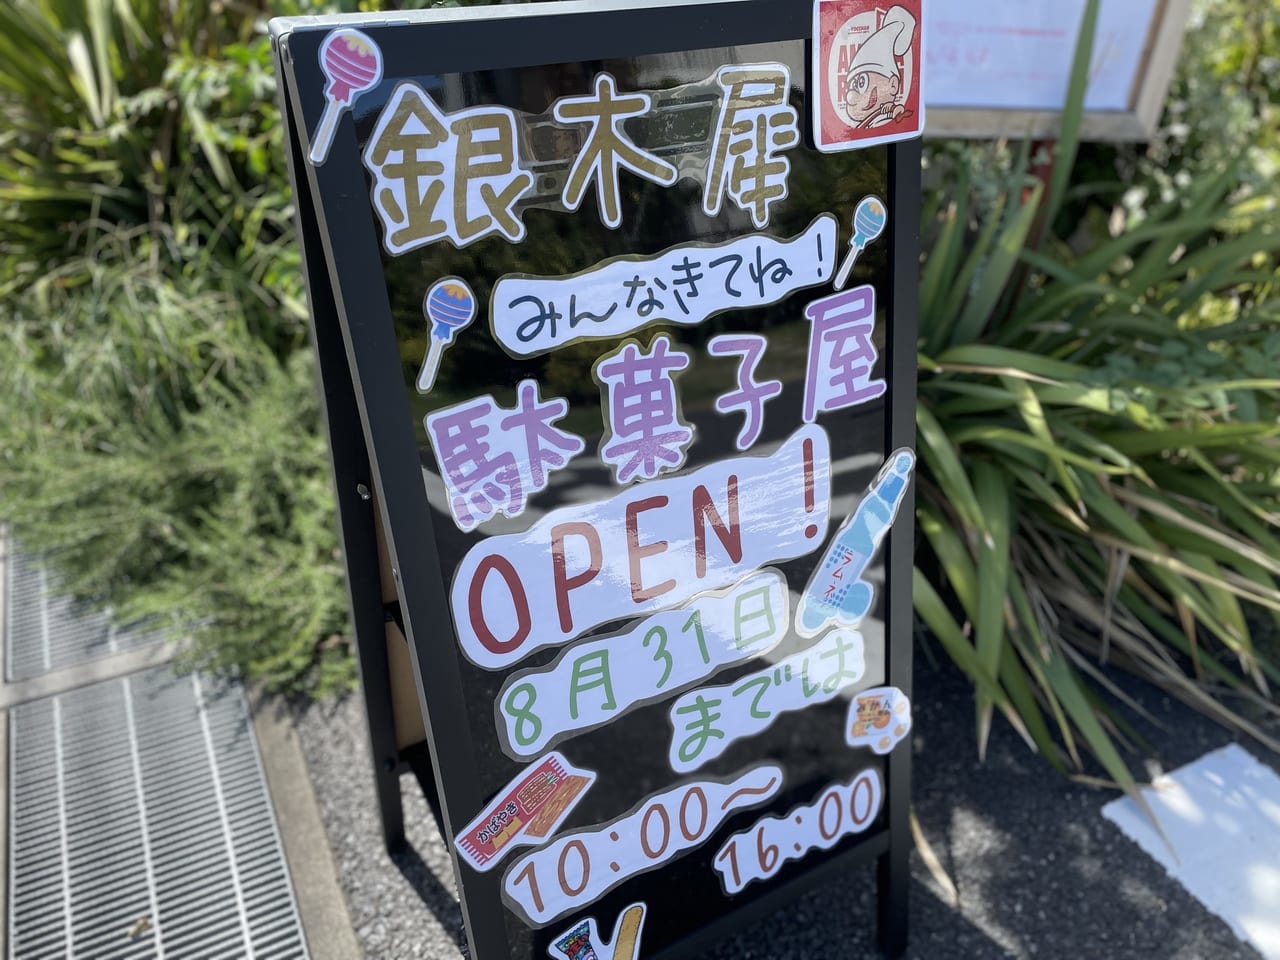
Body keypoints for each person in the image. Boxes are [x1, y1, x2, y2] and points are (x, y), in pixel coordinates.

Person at [842, 4, 917, 129]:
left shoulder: (883, 117)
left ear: (893, 85)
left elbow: (900, 112)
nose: (850, 96)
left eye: (862, 83)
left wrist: (895, 109)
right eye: (853, 85)